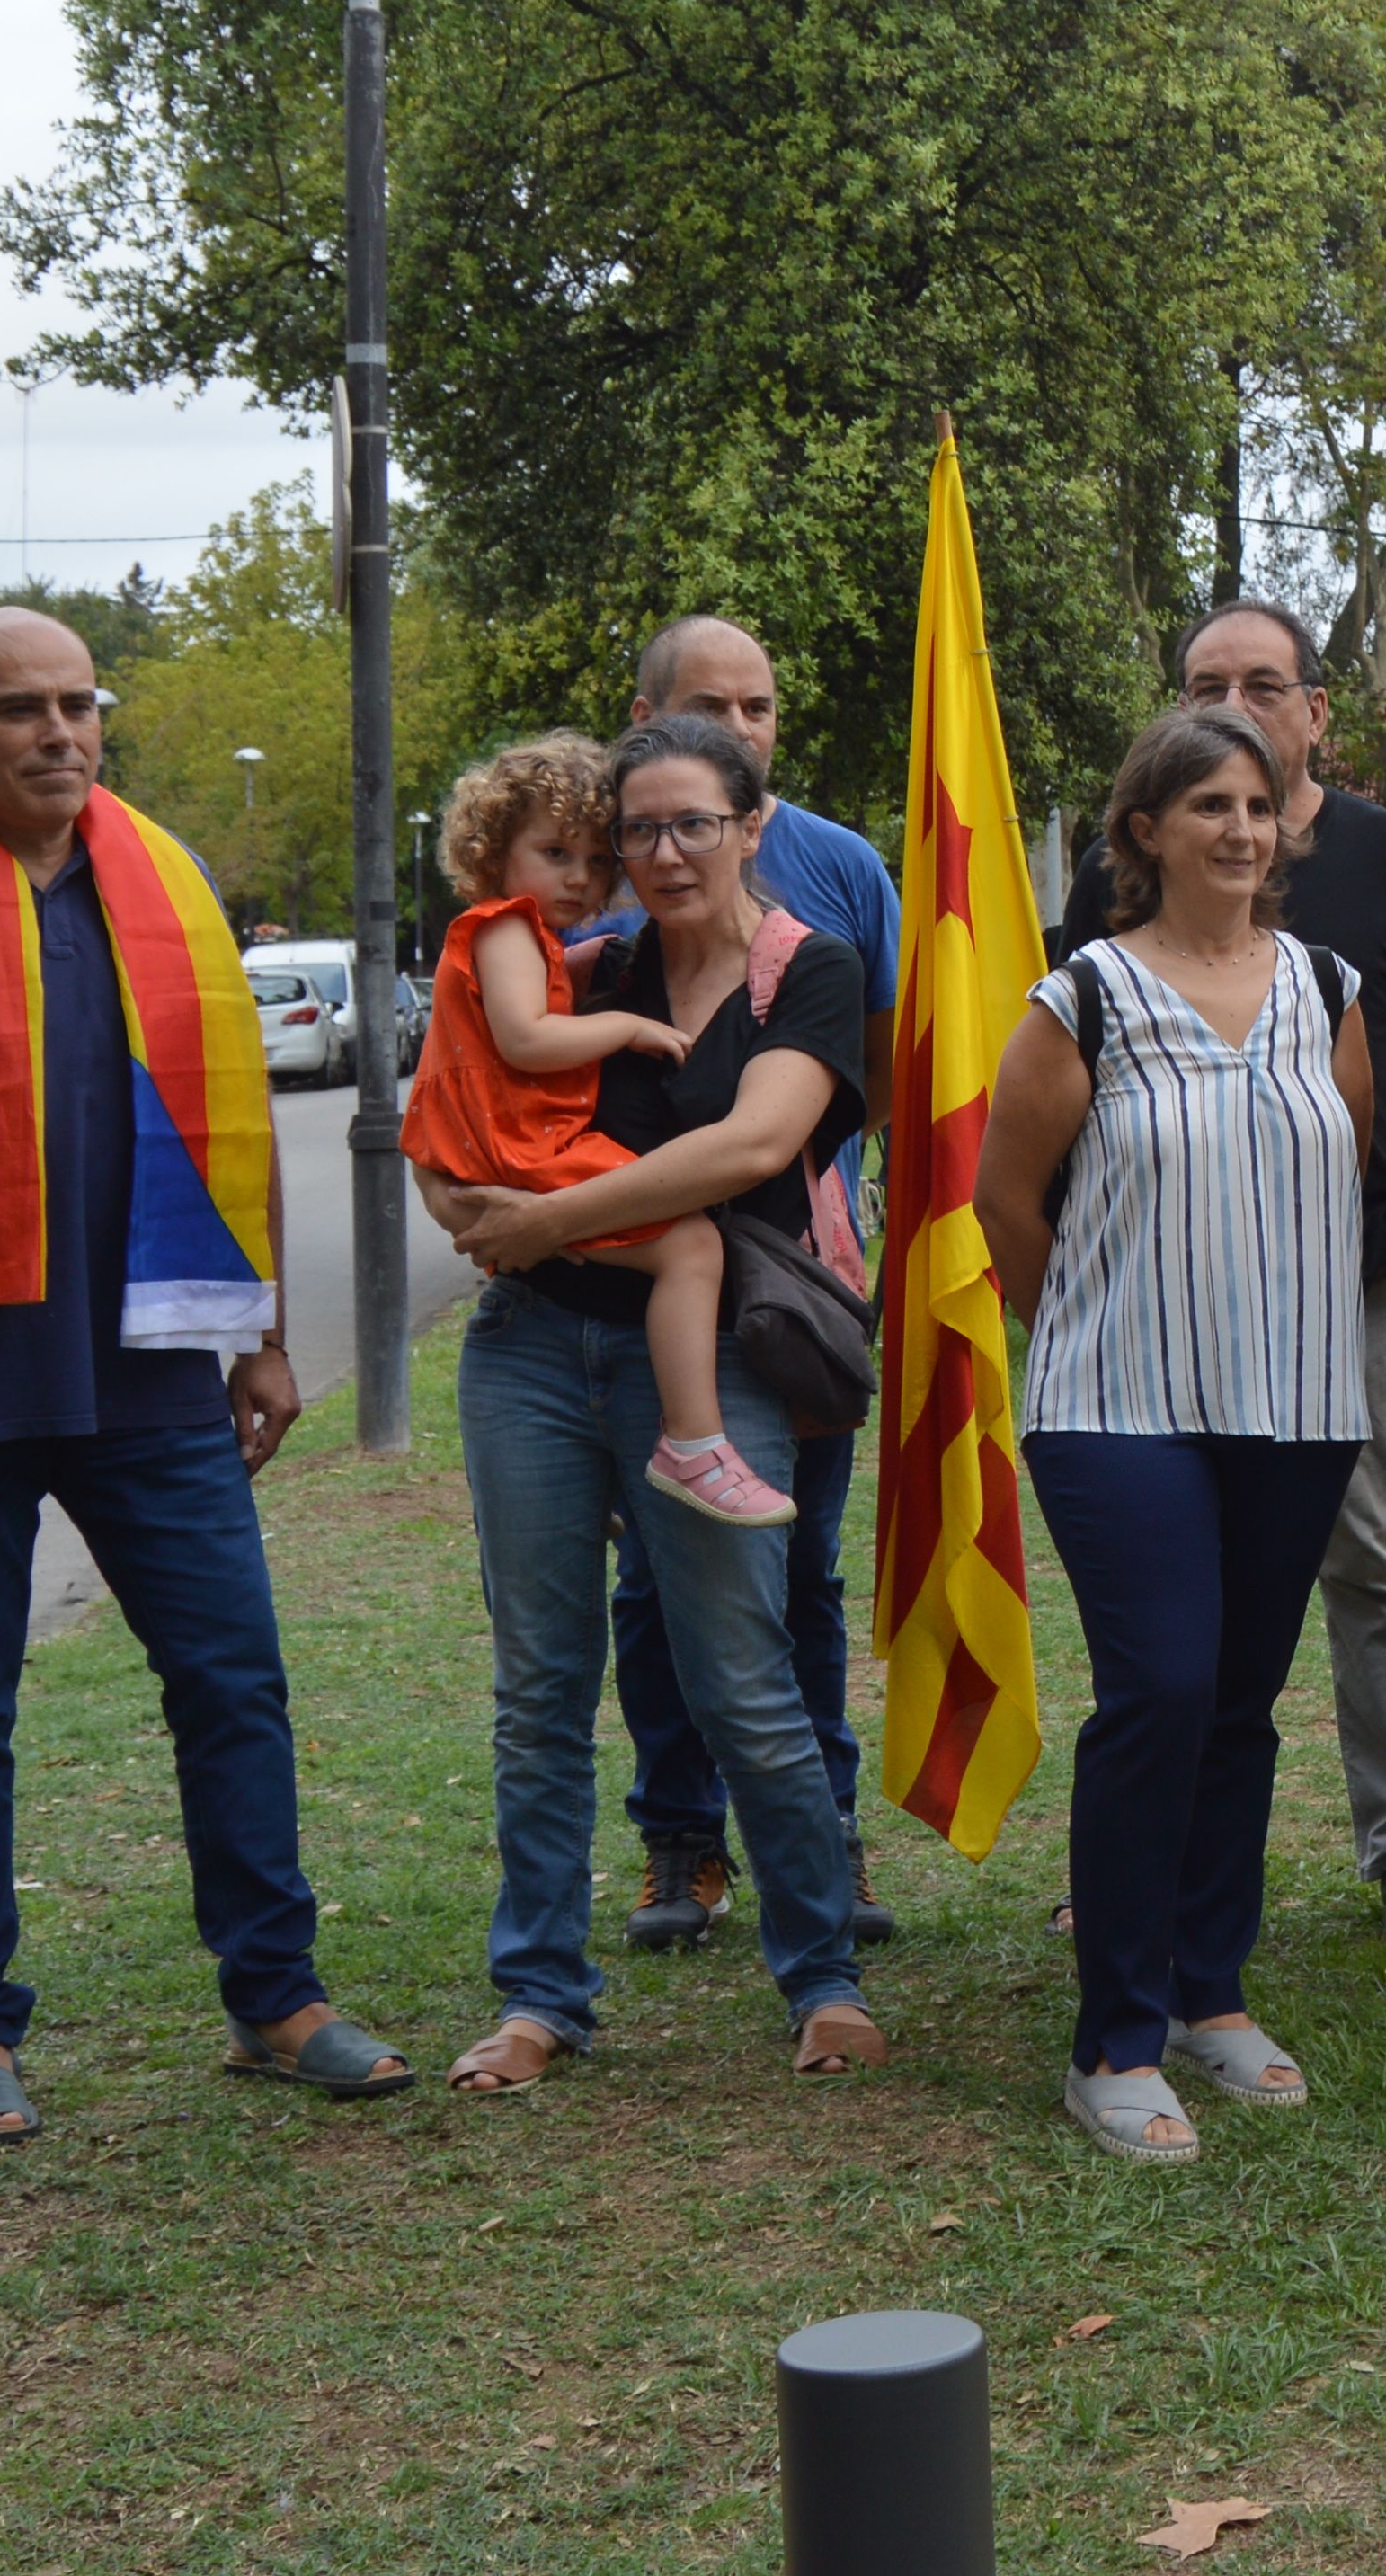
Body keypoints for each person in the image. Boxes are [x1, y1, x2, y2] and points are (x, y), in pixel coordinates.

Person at [0, 608, 409, 2140]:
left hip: (156, 1371)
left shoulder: (165, 888)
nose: (59, 733)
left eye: (79, 706)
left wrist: (267, 1332)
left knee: (232, 1681)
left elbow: (228, 1118)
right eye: (22, 708)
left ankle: (274, 1997)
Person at [422, 719, 880, 2092]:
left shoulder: (810, 969)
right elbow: (450, 1123)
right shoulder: (578, 968)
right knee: (541, 1687)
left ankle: (821, 1976)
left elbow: (748, 1145)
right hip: (532, 1352)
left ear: (754, 822)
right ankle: (541, 1997)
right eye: (638, 830)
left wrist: (540, 1215)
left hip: (707, 1357)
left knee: (743, 1678)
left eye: (694, 824)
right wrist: (469, 1209)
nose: (663, 853)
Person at [976, 708, 1376, 2162]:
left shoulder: (1324, 988)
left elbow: (1343, 1185)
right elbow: (1008, 1209)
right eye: (1205, 802)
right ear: (1143, 831)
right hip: (1117, 1406)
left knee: (1238, 1713)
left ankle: (1211, 1993)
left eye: (1256, 805)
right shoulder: (1078, 998)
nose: (1239, 829)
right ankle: (1115, 2036)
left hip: (1295, 1399)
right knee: (1158, 1691)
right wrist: (1092, 1325)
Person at [1052, 600, 1386, 1945]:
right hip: (1148, 1325)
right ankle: (1134, 1858)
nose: (1236, 702)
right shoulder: (1111, 914)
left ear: (1316, 711)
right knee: (1164, 1634)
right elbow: (1054, 1125)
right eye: (1204, 685)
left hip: (1335, 1297)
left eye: (1262, 685)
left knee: (1373, 1567)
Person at [600, 618, 902, 1957]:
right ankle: (682, 1842)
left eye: (761, 706)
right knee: (655, 1589)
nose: (743, 724)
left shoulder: (841, 871)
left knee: (802, 1575)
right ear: (645, 718)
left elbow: (888, 1066)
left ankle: (822, 1833)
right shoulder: (596, 874)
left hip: (793, 1288)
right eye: (711, 703)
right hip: (613, 1289)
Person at [406, 733, 781, 1529]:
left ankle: (625, 1463)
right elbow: (526, 1040)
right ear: (492, 850)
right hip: (520, 1145)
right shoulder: (505, 928)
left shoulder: (535, 937)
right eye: (552, 852)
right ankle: (693, 1442)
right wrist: (627, 1029)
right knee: (690, 1246)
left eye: (591, 859)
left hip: (510, 1144)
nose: (577, 877)